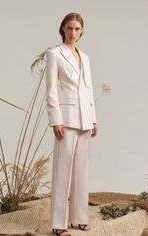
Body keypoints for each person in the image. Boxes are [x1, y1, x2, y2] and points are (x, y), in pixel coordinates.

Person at [46, 12, 98, 236]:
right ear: (63, 29)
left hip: (85, 119)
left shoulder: (85, 56)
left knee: (81, 171)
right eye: (69, 28)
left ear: (82, 31)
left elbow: (89, 89)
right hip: (65, 120)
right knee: (63, 171)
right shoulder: (54, 54)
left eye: (77, 29)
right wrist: (55, 120)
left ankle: (80, 218)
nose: (73, 32)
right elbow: (51, 90)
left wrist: (93, 118)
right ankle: (58, 223)